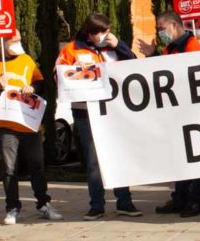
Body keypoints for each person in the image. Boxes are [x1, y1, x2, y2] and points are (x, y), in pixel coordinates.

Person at [57, 13, 142, 221]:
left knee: (119, 155)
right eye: (102, 32)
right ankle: (97, 205)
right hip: (86, 112)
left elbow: (133, 65)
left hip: (114, 110)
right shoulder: (71, 49)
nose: (106, 35)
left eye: (108, 31)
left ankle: (124, 202)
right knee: (94, 162)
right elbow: (58, 75)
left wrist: (119, 45)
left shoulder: (112, 47)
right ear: (91, 33)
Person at [0, 31, 62, 225]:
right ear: (2, 43)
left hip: (29, 122)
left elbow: (40, 82)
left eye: (18, 39)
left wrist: (33, 87)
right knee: (9, 168)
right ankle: (12, 208)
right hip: (6, 125)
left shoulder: (26, 60)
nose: (18, 43)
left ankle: (43, 203)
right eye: (14, 40)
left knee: (37, 166)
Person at [150, 12, 200, 218]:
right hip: (176, 113)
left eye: (161, 27)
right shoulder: (170, 48)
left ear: (174, 25)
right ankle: (180, 197)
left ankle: (197, 199)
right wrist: (152, 56)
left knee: (195, 158)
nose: (159, 32)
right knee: (180, 158)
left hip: (193, 112)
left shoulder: (193, 46)